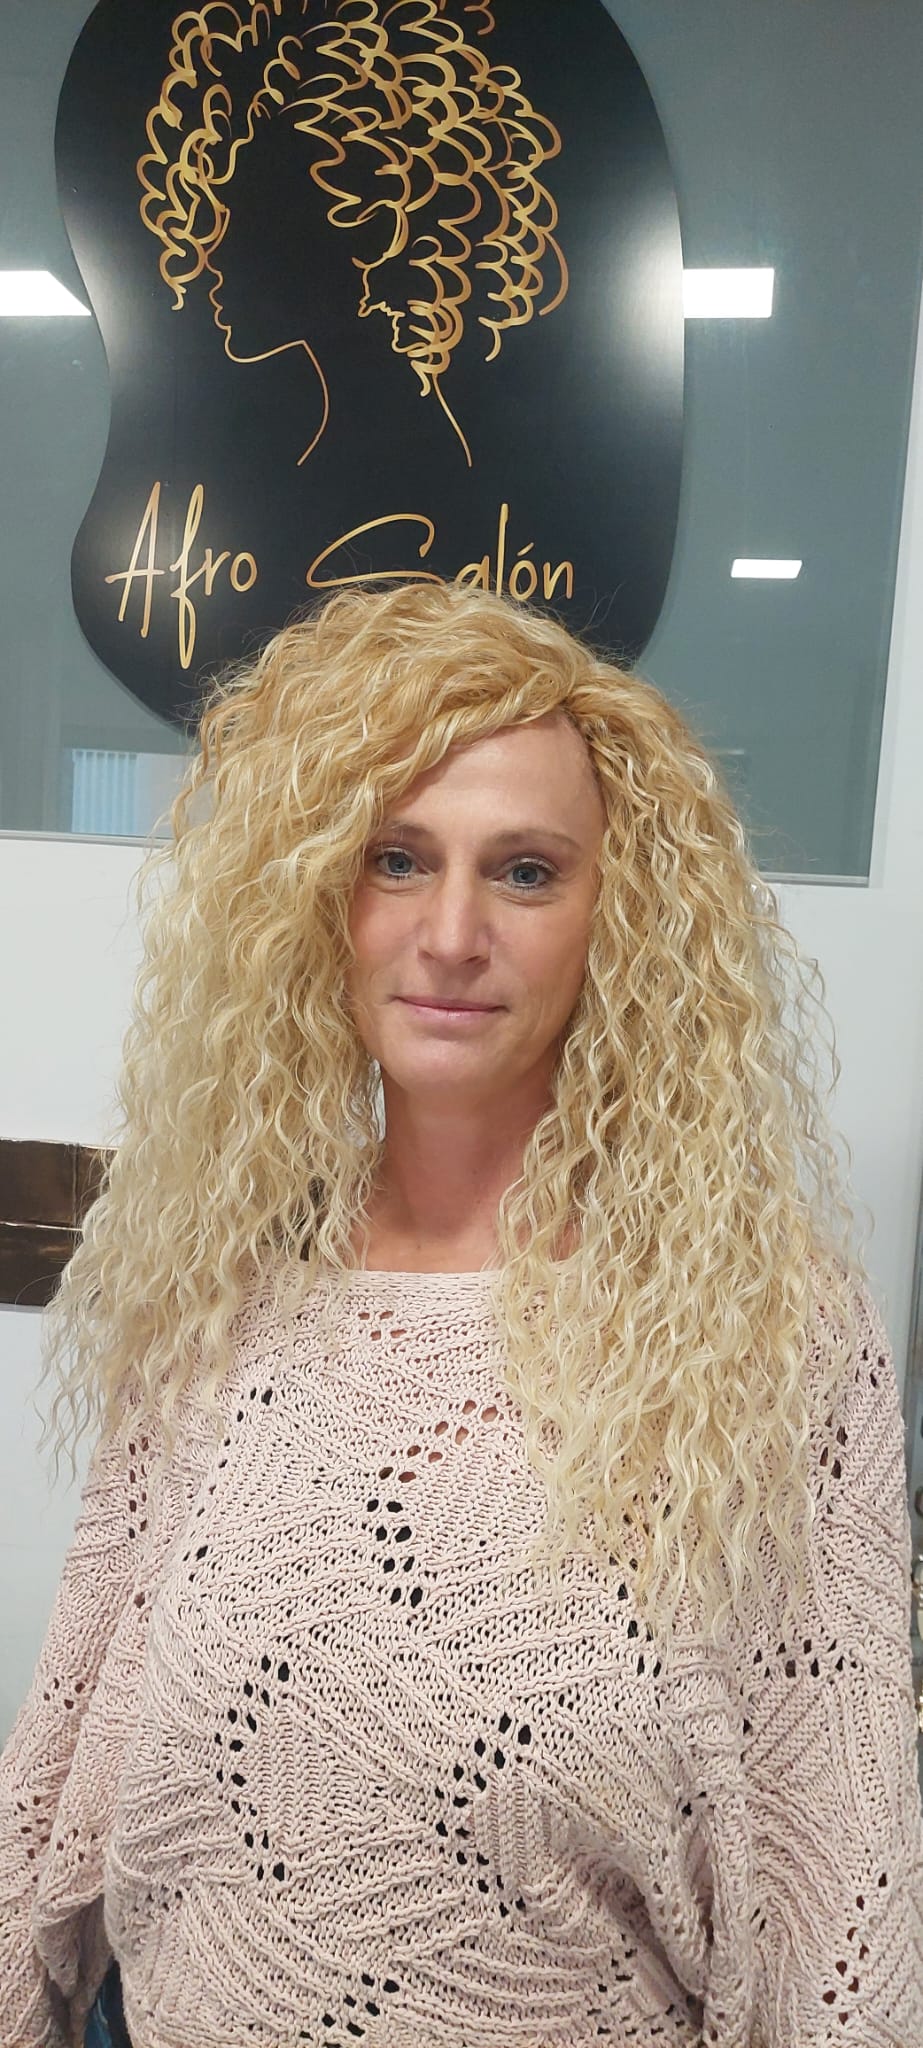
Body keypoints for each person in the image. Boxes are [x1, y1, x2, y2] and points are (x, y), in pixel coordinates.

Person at [1, 580, 921, 2048]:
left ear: (618, 917)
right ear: (321, 896)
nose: (449, 933)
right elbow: (65, 1770)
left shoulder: (767, 1333)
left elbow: (841, 1886)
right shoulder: (219, 1289)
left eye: (527, 871)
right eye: (396, 858)